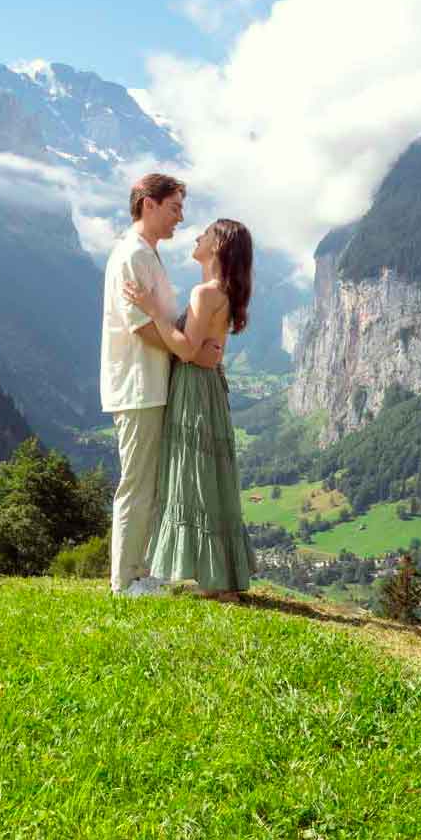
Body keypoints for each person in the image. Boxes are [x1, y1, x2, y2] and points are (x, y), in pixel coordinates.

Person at [100, 173, 222, 595]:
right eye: (174, 208)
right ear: (148, 205)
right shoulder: (131, 257)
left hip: (152, 383)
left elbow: (160, 319)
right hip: (137, 385)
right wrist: (186, 350)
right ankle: (125, 581)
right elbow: (141, 327)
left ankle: (141, 573)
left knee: (151, 483)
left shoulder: (148, 255)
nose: (180, 218)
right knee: (136, 483)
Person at [123, 218, 256, 601]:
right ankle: (219, 578)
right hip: (207, 387)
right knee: (209, 475)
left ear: (218, 246)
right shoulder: (222, 292)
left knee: (194, 475)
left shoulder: (205, 293)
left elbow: (184, 347)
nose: (198, 236)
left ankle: (214, 581)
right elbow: (202, 350)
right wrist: (202, 352)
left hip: (194, 391)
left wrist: (152, 310)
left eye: (207, 233)